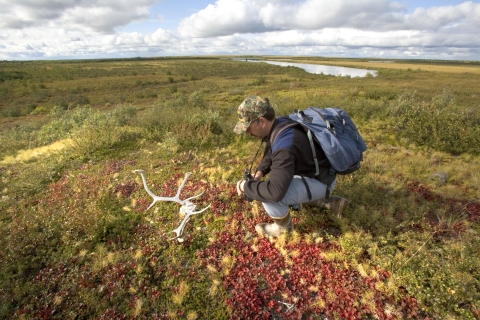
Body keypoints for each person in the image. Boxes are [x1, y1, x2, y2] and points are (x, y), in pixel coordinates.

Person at [234, 96, 349, 237]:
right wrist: (260, 172)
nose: (247, 132)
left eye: (248, 127)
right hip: (322, 175)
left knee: (270, 196)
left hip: (321, 182)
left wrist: (244, 186)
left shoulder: (285, 146)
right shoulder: (282, 123)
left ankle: (283, 230)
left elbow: (274, 192)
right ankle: (329, 202)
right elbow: (271, 153)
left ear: (262, 122)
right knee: (278, 180)